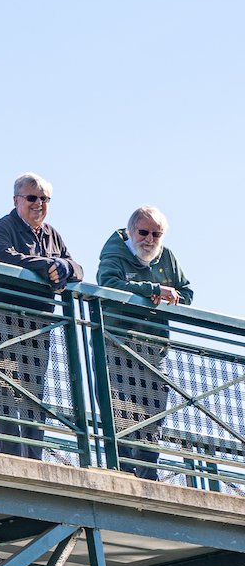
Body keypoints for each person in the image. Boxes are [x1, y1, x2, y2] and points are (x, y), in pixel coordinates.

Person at [0, 173, 83, 459]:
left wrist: (62, 266)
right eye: (31, 198)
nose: (38, 203)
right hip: (0, 319)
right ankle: (12, 457)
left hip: (38, 325)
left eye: (44, 199)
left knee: (33, 393)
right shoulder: (3, 226)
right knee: (2, 390)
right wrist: (49, 265)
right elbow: (4, 254)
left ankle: (34, 456)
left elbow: (77, 267)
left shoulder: (52, 234)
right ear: (16, 201)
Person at [96, 205, 192, 480]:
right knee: (121, 409)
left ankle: (148, 474)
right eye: (144, 232)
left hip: (153, 348)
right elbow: (108, 283)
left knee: (154, 409)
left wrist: (169, 296)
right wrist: (151, 290)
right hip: (118, 345)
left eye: (156, 234)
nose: (149, 239)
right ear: (131, 231)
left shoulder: (167, 258)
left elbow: (187, 292)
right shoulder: (115, 253)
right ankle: (123, 471)